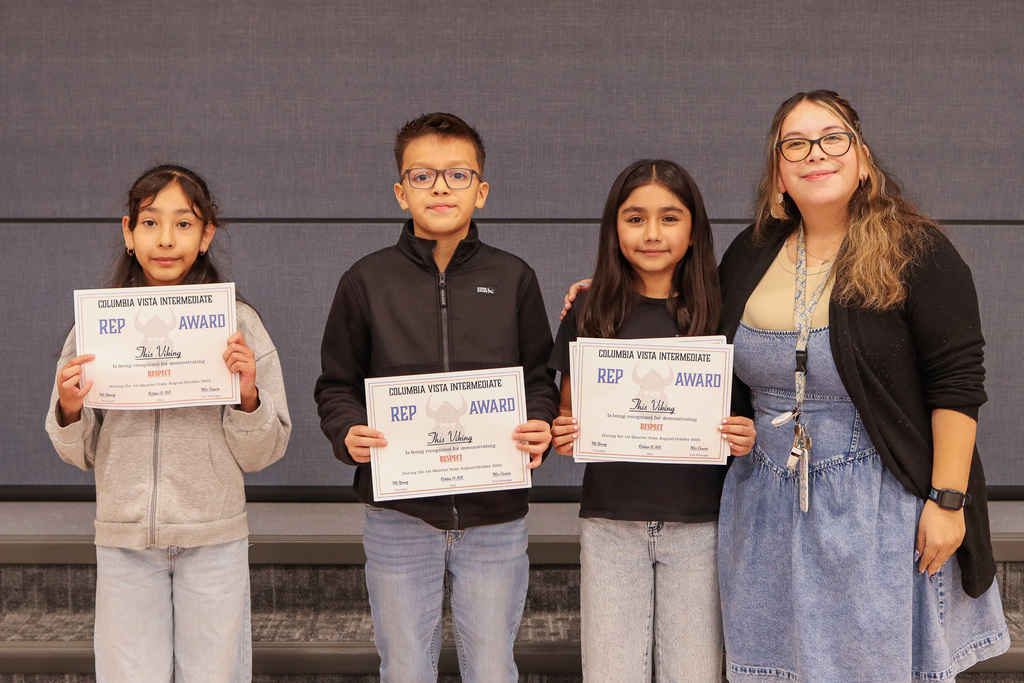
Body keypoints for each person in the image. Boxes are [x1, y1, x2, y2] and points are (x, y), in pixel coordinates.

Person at [716, 90, 1008, 681]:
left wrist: (948, 502)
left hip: (880, 505)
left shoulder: (916, 252)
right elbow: (695, 333)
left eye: (832, 138)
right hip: (763, 505)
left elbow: (957, 385)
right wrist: (608, 294)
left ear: (863, 159)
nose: (815, 153)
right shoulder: (748, 253)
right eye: (795, 144)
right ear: (778, 171)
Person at [314, 112, 559, 683]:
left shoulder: (515, 276)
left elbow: (539, 380)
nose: (441, 187)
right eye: (423, 176)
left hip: (495, 515)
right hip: (400, 515)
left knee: (494, 667)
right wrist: (347, 430)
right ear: (401, 192)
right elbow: (336, 385)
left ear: (483, 191)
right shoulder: (365, 280)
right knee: (403, 668)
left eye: (457, 175)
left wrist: (540, 421)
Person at [44, 164, 291, 681]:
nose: (166, 238)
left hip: (214, 540)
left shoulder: (238, 325)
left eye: (184, 224)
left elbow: (263, 452)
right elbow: (77, 452)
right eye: (151, 222)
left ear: (206, 237)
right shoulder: (97, 328)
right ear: (129, 233)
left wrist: (248, 397)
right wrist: (70, 408)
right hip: (125, 542)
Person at [549, 159, 755, 682]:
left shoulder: (726, 311)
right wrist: (564, 433)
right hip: (610, 523)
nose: (652, 233)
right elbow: (567, 419)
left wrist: (744, 434)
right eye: (635, 218)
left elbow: (749, 414)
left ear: (693, 230)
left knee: (694, 672)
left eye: (670, 217)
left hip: (701, 525)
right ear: (614, 229)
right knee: (611, 672)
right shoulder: (590, 310)